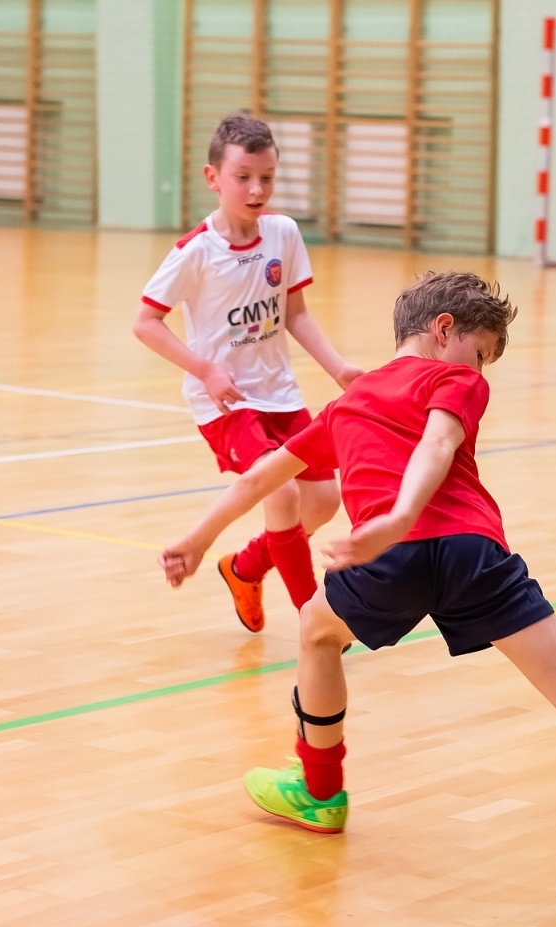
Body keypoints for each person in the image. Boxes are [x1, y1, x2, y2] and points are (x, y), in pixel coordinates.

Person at [157, 271, 556, 900]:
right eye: (482, 352)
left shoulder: (348, 403)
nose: (480, 368)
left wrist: (197, 538)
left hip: (394, 556)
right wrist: (405, 514)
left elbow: (261, 478)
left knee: (316, 632)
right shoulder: (455, 379)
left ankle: (322, 792)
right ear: (445, 330)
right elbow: (438, 443)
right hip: (475, 553)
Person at [134, 114, 363, 634]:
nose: (257, 189)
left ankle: (244, 568)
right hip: (225, 399)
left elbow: (295, 313)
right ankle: (313, 619)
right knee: (279, 493)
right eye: (243, 177)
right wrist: (205, 369)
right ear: (213, 177)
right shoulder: (195, 251)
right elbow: (145, 323)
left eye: (267, 176)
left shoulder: (283, 234)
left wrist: (339, 368)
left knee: (324, 501)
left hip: (279, 392)